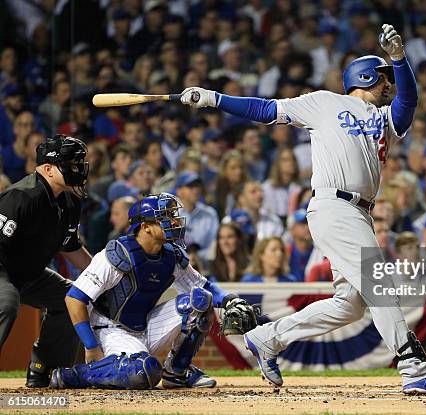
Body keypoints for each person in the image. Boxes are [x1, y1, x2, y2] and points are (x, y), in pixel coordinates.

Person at [181, 24, 426, 394]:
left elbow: (408, 102)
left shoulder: (385, 119)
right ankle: (415, 368)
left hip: (358, 212)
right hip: (334, 205)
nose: (388, 84)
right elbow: (266, 110)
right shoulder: (324, 101)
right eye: (382, 78)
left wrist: (399, 59)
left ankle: (268, 338)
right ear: (364, 76)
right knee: (378, 284)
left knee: (349, 305)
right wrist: (215, 99)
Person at [49, 193, 256, 389]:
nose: (174, 221)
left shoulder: (171, 255)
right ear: (146, 227)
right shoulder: (117, 254)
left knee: (200, 300)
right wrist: (91, 347)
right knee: (144, 372)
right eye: (165, 217)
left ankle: (176, 373)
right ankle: (76, 374)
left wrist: (231, 300)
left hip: (145, 324)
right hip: (111, 328)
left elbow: (204, 286)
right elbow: (75, 298)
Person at [0, 134, 92, 387]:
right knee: (6, 302)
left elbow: (71, 248)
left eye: (78, 164)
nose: (77, 169)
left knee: (71, 298)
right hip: (2, 268)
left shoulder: (70, 201)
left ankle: (43, 369)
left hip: (30, 273)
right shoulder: (22, 196)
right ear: (49, 169)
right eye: (70, 164)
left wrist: (102, 274)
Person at [174, 171, 219, 266]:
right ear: (179, 191)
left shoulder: (210, 214)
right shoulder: (170, 214)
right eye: (190, 187)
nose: (196, 190)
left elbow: (213, 247)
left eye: (197, 186)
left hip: (203, 266)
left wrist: (196, 256)